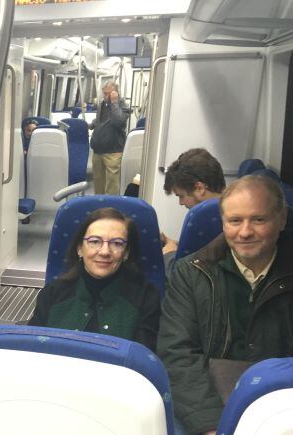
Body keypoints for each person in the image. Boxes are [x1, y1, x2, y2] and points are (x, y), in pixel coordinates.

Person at [157, 174, 293, 435]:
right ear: (223, 222)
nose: (245, 232)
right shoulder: (189, 274)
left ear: (281, 220)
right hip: (199, 412)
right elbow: (177, 355)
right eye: (234, 221)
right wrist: (212, 428)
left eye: (258, 219)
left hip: (278, 419)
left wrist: (268, 430)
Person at [29, 207, 160, 352]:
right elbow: (31, 349)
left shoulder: (146, 298)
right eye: (95, 241)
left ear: (126, 253)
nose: (105, 252)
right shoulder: (52, 293)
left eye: (117, 243)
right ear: (80, 248)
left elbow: (143, 359)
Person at [161, 148, 226, 269]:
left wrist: (169, 254)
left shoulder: (203, 216)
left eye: (181, 196)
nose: (180, 203)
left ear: (199, 188)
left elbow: (180, 273)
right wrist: (174, 244)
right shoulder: (232, 206)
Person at [89, 81, 127, 195]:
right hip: (98, 150)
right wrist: (92, 124)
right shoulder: (102, 104)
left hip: (113, 152)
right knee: (98, 184)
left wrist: (114, 102)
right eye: (104, 93)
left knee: (112, 186)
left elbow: (119, 121)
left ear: (116, 93)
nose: (106, 96)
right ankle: (99, 204)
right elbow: (101, 120)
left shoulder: (122, 105)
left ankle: (111, 206)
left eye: (108, 93)